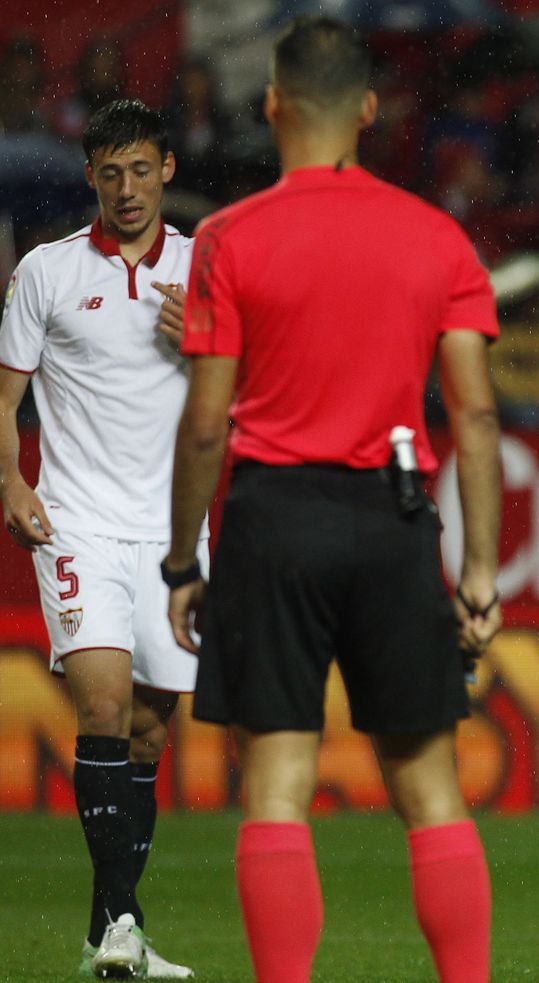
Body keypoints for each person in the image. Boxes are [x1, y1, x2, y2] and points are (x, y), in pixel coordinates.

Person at [163, 18, 503, 983]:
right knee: (431, 789)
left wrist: (185, 559)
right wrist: (477, 569)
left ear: (271, 103)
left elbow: (202, 424)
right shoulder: (436, 236)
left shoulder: (227, 238)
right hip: (394, 519)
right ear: (366, 109)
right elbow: (474, 422)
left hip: (272, 516)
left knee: (276, 784)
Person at [0, 98, 196, 981]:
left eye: (141, 170)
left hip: (173, 535)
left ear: (167, 171)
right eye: (110, 172)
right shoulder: (45, 270)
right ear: (91, 176)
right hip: (76, 518)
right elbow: (4, 398)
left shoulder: (207, 270)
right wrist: (9, 479)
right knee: (106, 710)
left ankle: (104, 935)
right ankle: (124, 922)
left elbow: (256, 393)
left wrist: (209, 341)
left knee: (151, 736)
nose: (126, 189)